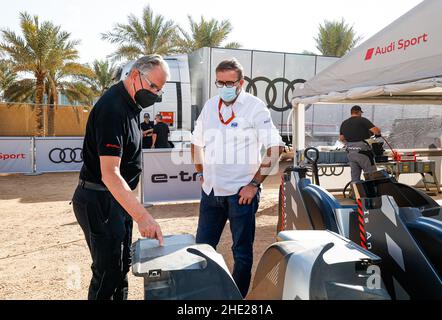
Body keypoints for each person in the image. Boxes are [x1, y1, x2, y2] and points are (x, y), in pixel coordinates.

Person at [72, 55, 169, 300]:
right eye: (153, 86)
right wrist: (143, 216)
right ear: (136, 75)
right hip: (100, 201)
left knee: (120, 268)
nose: (156, 94)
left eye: (160, 89)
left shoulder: (131, 106)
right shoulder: (112, 109)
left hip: (115, 201)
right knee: (107, 273)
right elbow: (110, 173)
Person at [191, 58, 285, 298]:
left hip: (241, 195)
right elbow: (196, 142)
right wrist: (201, 173)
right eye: (219, 82)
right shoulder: (210, 105)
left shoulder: (255, 107)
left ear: (241, 82)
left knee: (241, 252)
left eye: (229, 82)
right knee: (202, 250)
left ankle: (237, 298)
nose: (224, 87)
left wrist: (254, 184)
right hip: (211, 193)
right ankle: (204, 294)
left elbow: (275, 148)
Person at [339, 105, 382, 182]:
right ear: (359, 112)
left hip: (351, 153)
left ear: (351, 112)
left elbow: (341, 138)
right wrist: (378, 132)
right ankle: (372, 193)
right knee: (371, 176)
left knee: (355, 178)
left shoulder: (344, 123)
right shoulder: (362, 120)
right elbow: (376, 131)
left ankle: (356, 193)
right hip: (363, 153)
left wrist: (351, 144)